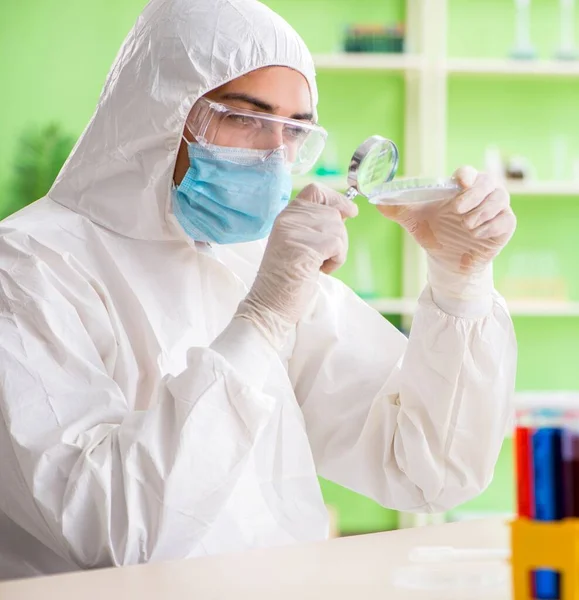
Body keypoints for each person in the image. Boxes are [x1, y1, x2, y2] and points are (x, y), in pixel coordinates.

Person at [0, 0, 517, 580]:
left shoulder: (253, 264)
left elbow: (424, 467)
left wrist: (460, 282)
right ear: (159, 113)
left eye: (294, 130)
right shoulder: (27, 267)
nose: (276, 155)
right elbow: (114, 532)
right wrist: (262, 320)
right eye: (245, 118)